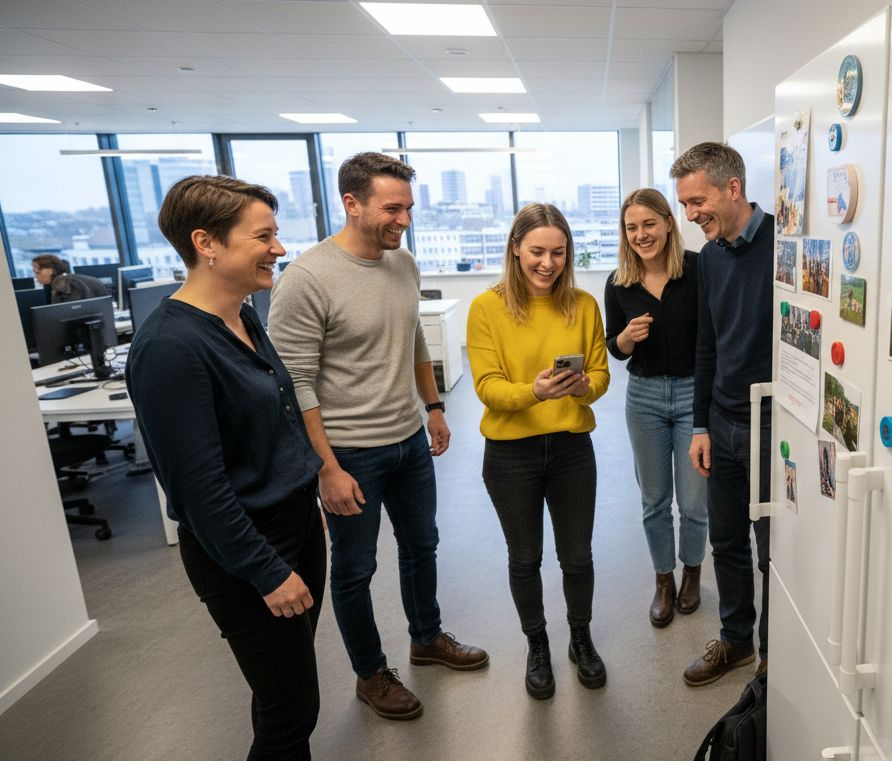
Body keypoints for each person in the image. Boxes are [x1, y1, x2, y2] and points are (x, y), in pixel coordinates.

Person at [269, 152, 487, 721]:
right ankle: (371, 673)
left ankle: (426, 637)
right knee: (355, 567)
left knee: (422, 546)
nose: (404, 220)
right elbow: (294, 385)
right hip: (347, 453)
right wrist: (326, 468)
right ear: (352, 203)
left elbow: (412, 337)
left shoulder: (403, 263)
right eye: (392, 208)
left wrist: (434, 406)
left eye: (408, 208)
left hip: (409, 439)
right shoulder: (307, 278)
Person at [126, 175, 325, 761]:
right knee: (292, 713)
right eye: (263, 237)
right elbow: (200, 491)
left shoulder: (242, 317)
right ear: (205, 243)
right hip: (247, 554)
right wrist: (266, 572)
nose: (279, 249)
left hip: (295, 527)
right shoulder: (170, 348)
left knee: (283, 695)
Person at [467, 203, 611, 700]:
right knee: (525, 558)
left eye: (557, 252)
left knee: (577, 556)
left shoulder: (585, 305)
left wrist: (578, 388)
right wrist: (536, 392)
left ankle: (580, 637)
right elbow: (487, 387)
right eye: (536, 252)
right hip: (510, 455)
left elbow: (601, 378)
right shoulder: (487, 308)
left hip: (572, 448)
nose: (547, 263)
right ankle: (538, 643)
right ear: (515, 248)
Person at [673, 142, 773, 686]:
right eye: (685, 205)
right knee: (727, 542)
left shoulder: (786, 245)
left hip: (772, 426)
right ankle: (736, 642)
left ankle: (773, 658)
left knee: (772, 553)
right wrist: (701, 425)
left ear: (733, 188)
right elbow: (706, 345)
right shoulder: (710, 258)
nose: (690, 216)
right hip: (724, 421)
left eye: (696, 201)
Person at [604, 188, 707, 628]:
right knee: (654, 500)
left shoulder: (700, 271)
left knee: (695, 500)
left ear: (668, 222)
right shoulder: (618, 283)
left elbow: (713, 340)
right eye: (632, 227)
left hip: (691, 394)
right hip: (643, 397)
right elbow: (614, 348)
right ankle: (663, 579)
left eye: (649, 224)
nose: (641, 234)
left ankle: (692, 574)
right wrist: (626, 338)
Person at [30, 253, 111, 303]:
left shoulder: (63, 284)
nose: (35, 276)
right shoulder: (73, 279)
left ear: (49, 270)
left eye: (36, 272)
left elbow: (69, 314)